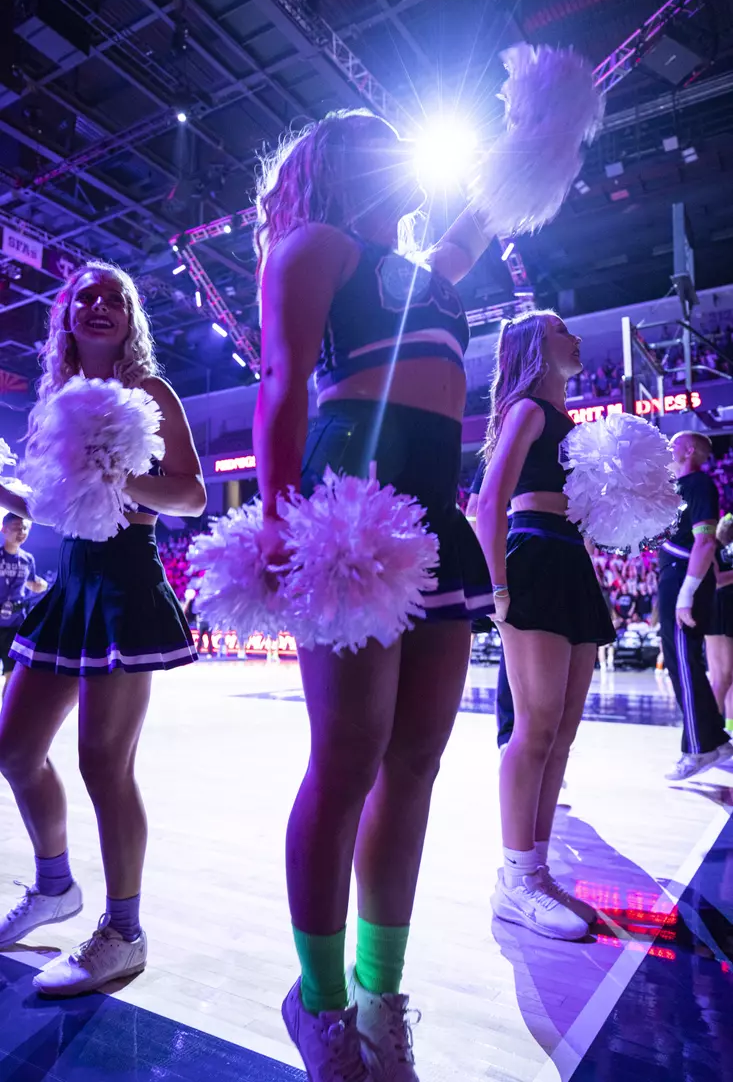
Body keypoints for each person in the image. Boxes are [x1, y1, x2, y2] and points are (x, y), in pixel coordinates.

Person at [254, 108, 495, 1081]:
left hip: (432, 507)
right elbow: (281, 379)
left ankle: (378, 992)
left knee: (416, 762)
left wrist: (540, 127)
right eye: (374, 144)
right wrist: (276, 517)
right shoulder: (314, 244)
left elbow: (490, 205)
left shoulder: (428, 272)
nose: (398, 158)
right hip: (350, 505)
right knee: (347, 755)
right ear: (336, 164)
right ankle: (317, 1002)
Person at [0, 261, 206, 996]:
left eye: (115, 298)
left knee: (102, 764)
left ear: (131, 319)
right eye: (85, 295)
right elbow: (55, 503)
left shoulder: (149, 392)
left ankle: (124, 931)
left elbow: (189, 492)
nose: (99, 305)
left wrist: (118, 479)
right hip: (72, 583)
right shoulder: (56, 400)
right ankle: (55, 886)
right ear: (65, 315)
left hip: (123, 584)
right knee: (15, 748)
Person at [476, 311, 616, 941]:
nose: (577, 338)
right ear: (536, 346)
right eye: (563, 330)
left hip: (568, 556)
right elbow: (489, 500)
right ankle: (515, 878)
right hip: (531, 553)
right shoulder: (527, 410)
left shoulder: (566, 421)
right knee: (533, 729)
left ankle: (536, 868)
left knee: (560, 731)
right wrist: (497, 587)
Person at [659, 432, 732, 781]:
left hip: (683, 578)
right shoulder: (680, 488)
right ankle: (714, 740)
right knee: (682, 663)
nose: (668, 450)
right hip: (676, 576)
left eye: (673, 444)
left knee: (684, 665)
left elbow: (705, 541)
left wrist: (687, 592)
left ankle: (698, 747)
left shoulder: (699, 484)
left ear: (689, 450)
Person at [467, 464, 514, 753]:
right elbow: (475, 508)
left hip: (515, 554)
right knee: (514, 653)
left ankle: (513, 742)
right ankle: (511, 742)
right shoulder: (497, 453)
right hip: (513, 554)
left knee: (515, 655)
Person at [0, 514, 47, 692]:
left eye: (25, 528)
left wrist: (40, 585)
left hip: (15, 623)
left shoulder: (27, 559)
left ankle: (5, 718)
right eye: (16, 526)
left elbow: (33, 583)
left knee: (11, 675)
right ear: (3, 529)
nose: (21, 531)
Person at [705, 514, 733, 736]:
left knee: (730, 675)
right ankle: (711, 733)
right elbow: (714, 580)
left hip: (728, 610)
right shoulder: (710, 547)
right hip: (718, 611)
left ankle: (729, 728)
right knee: (721, 675)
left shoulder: (727, 549)